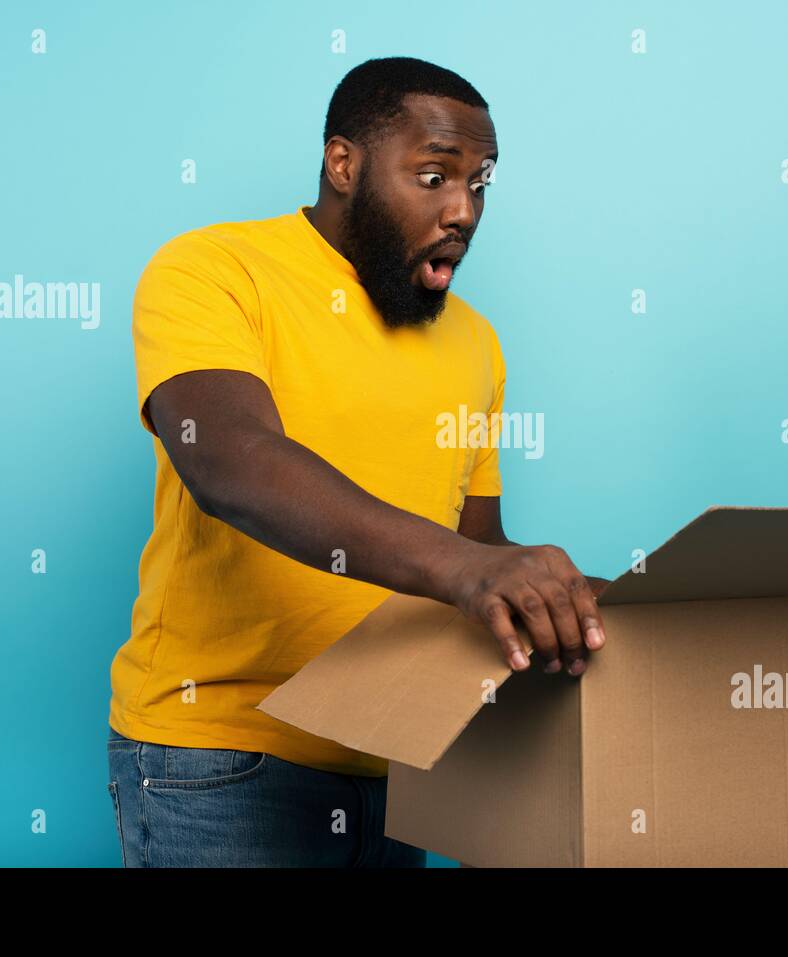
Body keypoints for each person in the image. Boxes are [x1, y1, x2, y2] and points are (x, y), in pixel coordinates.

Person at [105, 56, 609, 868]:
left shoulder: (476, 342)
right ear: (344, 163)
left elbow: (478, 554)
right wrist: (470, 572)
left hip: (399, 764)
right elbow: (230, 462)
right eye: (435, 175)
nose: (464, 210)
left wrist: (564, 604)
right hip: (222, 761)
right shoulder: (213, 271)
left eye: (479, 182)